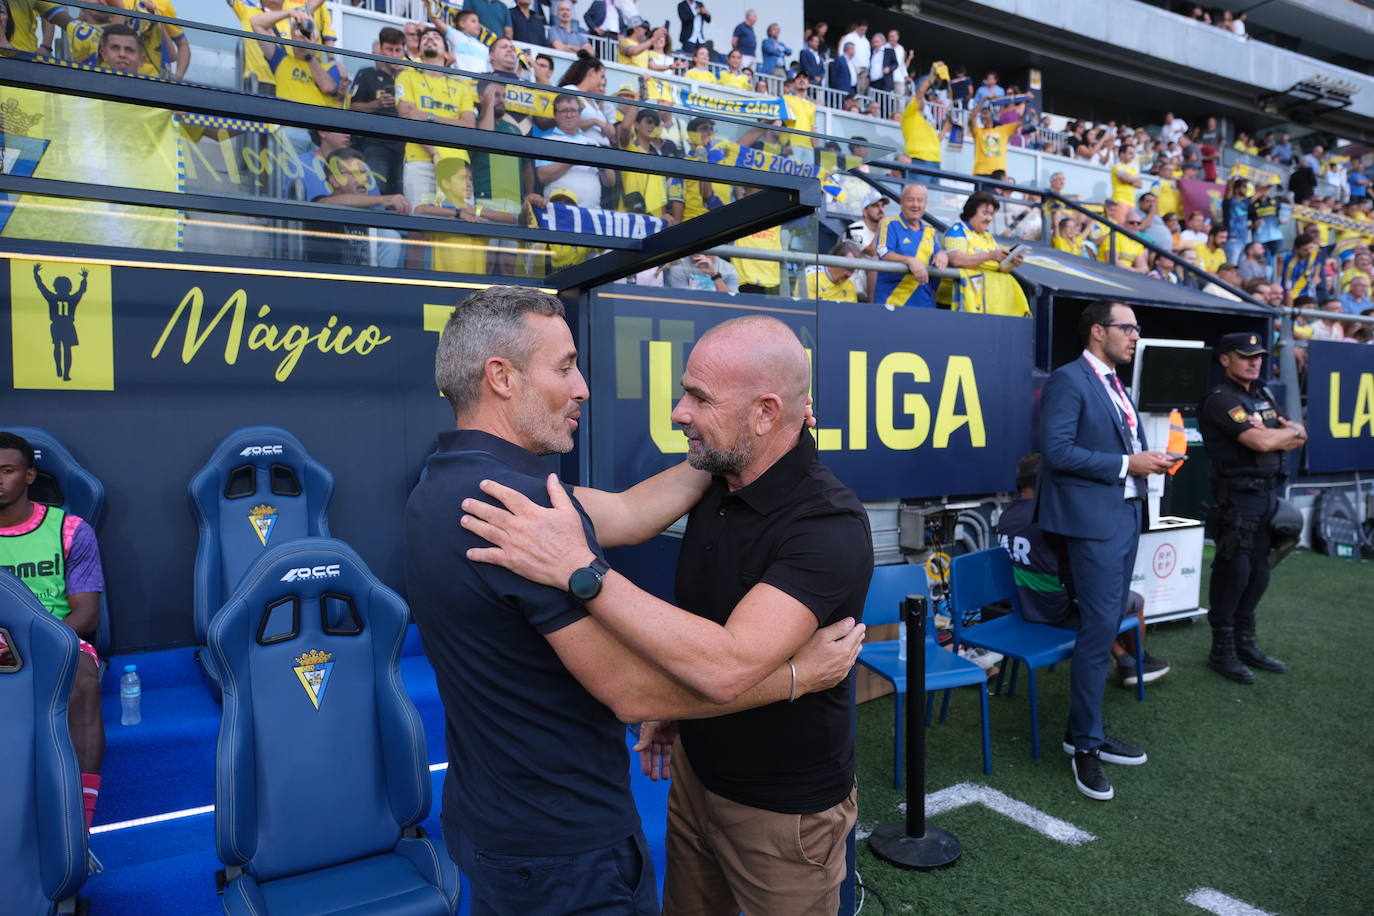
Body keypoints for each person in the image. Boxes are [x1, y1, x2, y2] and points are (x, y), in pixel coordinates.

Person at [407, 290, 865, 912]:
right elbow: (636, 691)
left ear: (766, 411)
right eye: (565, 367)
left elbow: (629, 513)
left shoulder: (446, 483)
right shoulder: (522, 511)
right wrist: (798, 675)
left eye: (699, 398)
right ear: (501, 378)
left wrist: (743, 437)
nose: (582, 388)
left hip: (503, 816)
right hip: (559, 837)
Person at [1038, 300, 1176, 801]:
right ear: (1098, 331)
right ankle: (1084, 743)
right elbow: (1056, 451)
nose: (1136, 336)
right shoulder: (1068, 379)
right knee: (1098, 632)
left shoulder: (1114, 382)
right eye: (1128, 328)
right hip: (1092, 523)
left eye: (1137, 328)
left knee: (1106, 624)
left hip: (1123, 517)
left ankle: (1085, 730)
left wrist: (1144, 462)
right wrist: (1127, 464)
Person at [0, 431, 106, 831]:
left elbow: (87, 614)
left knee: (82, 679)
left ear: (29, 475)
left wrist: (33, 643)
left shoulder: (70, 529)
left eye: (7, 470)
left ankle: (80, 819)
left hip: (58, 639)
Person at [997, 452, 1170, 687]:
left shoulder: (1006, 515)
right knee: (1130, 601)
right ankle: (1137, 661)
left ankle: (1124, 658)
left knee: (1091, 598)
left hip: (1025, 605)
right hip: (1058, 611)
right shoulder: (1051, 518)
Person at [1197, 332, 1306, 683]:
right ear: (1225, 359)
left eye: (1257, 356)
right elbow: (1260, 441)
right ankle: (1221, 650)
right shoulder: (1220, 399)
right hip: (1237, 498)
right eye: (1245, 356)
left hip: (1265, 496)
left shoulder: (1262, 394)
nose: (1254, 362)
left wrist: (1281, 435)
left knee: (1259, 572)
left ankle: (1245, 644)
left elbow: (1300, 435)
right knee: (1235, 572)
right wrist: (1281, 435)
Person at [394, 26, 478, 209]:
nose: (430, 39)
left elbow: (469, 125)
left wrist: (428, 116)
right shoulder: (406, 77)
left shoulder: (462, 87)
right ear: (419, 51)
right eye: (425, 37)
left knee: (464, 218)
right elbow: (407, 117)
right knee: (421, 218)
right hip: (419, 159)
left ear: (447, 54)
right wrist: (433, 151)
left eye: (436, 37)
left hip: (457, 162)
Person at [939, 190, 1030, 315]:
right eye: (985, 213)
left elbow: (998, 269)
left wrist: (1011, 262)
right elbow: (957, 260)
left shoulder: (988, 236)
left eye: (991, 214)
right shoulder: (957, 231)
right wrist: (989, 255)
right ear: (971, 212)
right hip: (953, 304)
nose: (989, 219)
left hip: (981, 304)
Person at [347, 26, 407, 196]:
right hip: (376, 143)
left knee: (403, 192)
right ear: (381, 50)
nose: (394, 55)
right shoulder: (367, 74)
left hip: (406, 145)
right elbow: (350, 107)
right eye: (389, 49)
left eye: (398, 50)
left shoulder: (410, 77)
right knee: (376, 188)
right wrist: (376, 104)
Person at [873, 182, 947, 308]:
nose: (915, 205)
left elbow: (937, 253)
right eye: (910, 200)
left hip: (924, 304)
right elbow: (883, 253)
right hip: (891, 302)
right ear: (901, 202)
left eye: (920, 200)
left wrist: (942, 254)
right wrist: (909, 260)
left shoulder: (930, 230)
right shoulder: (889, 224)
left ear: (925, 205)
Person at [795, 240, 860, 301]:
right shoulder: (811, 277)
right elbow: (806, 306)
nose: (849, 275)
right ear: (835, 260)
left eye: (853, 270)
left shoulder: (850, 285)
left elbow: (851, 309)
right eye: (847, 267)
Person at [667, 252, 740, 293]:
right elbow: (681, 297)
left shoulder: (728, 268)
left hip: (718, 310)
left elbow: (731, 299)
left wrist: (714, 275)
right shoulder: (679, 265)